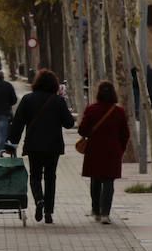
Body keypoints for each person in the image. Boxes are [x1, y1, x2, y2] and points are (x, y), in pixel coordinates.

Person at [8, 68, 75, 224]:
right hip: (53, 146)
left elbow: (18, 123)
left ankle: (39, 200)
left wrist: (11, 143)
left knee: (35, 176)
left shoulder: (27, 99)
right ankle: (49, 212)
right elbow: (69, 123)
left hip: (34, 145)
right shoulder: (58, 101)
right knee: (51, 177)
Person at [78, 80, 132, 224]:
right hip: (112, 151)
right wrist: (121, 149)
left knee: (95, 180)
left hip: (94, 150)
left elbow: (82, 130)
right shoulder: (119, 112)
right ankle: (105, 214)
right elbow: (125, 134)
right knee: (108, 182)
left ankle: (95, 210)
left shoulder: (91, 109)